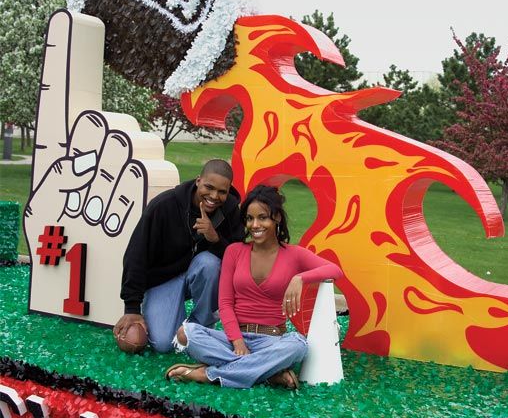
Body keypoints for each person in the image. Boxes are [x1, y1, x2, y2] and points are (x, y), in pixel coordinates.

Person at [165, 184, 343, 389]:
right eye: (250, 219)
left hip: (271, 341)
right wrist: (238, 342)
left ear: (276, 217)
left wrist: (300, 278)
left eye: (263, 217)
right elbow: (225, 303)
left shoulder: (293, 254)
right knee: (186, 333)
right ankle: (267, 374)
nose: (255, 225)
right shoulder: (234, 251)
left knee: (297, 345)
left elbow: (335, 270)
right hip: (233, 340)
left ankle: (208, 374)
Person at [113, 159, 245, 352]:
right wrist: (132, 307)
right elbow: (136, 254)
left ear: (228, 191)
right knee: (164, 344)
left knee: (210, 264)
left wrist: (215, 238)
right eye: (209, 187)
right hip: (164, 279)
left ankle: (199, 327)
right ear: (198, 181)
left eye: (222, 192)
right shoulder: (164, 205)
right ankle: (176, 323)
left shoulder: (230, 209)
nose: (214, 196)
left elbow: (238, 256)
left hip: (200, 273)